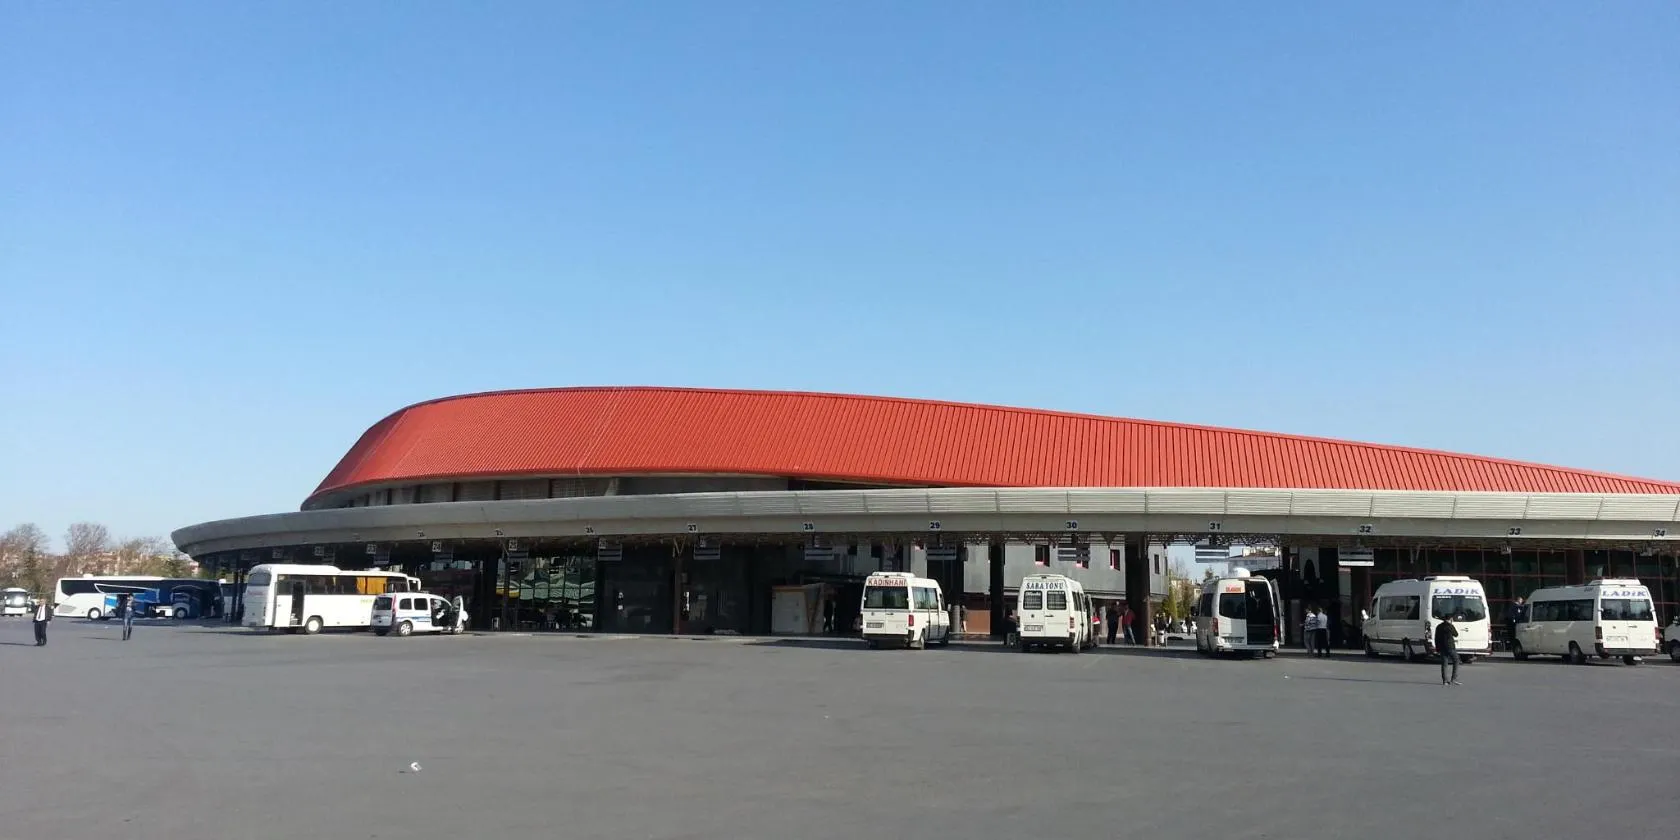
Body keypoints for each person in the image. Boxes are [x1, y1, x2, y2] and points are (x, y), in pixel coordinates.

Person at [1437, 613, 1461, 685]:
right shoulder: (1450, 626)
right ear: (1450, 619)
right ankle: (1453, 679)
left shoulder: (1439, 626)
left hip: (1442, 647)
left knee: (1444, 663)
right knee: (1456, 660)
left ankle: (1445, 681)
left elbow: (1436, 637)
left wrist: (1437, 648)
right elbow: (1456, 634)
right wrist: (1451, 625)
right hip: (1450, 647)